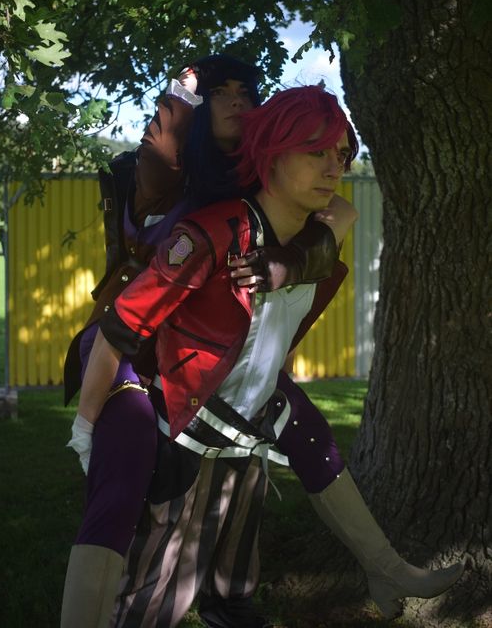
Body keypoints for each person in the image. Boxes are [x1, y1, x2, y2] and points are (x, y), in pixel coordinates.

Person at [61, 84, 463, 628]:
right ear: (271, 156)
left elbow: (336, 225)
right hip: (175, 404)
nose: (334, 168)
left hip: (248, 408)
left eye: (342, 154)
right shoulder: (211, 234)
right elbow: (121, 327)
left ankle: (387, 570)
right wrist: (87, 427)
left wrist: (291, 265)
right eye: (315, 151)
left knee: (300, 471)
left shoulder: (320, 237)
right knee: (148, 573)